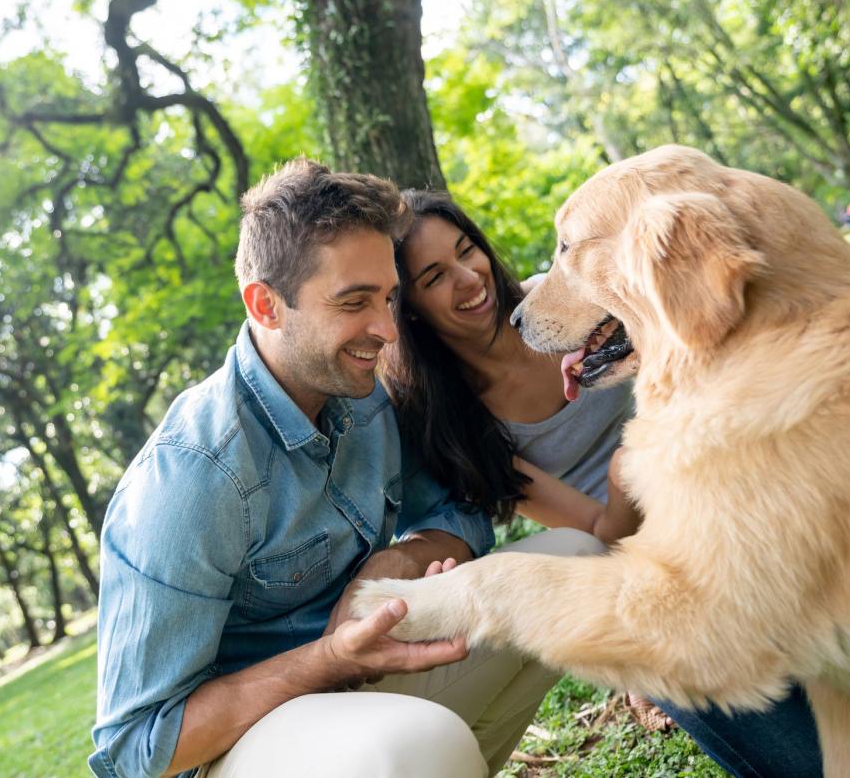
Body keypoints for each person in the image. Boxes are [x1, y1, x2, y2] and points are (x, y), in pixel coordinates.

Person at [90, 159, 606, 778]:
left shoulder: (366, 397)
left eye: (390, 298)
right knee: (418, 743)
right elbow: (134, 749)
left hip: (363, 679)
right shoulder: (193, 478)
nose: (387, 331)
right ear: (266, 305)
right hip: (248, 740)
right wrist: (327, 659)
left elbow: (460, 511)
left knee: (572, 564)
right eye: (353, 302)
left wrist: (400, 560)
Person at [378, 189, 824, 778]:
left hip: (728, 488)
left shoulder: (561, 300)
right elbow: (595, 531)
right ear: (409, 308)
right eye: (436, 276)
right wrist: (628, 471)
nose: (469, 278)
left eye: (467, 251)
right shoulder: (458, 421)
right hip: (639, 544)